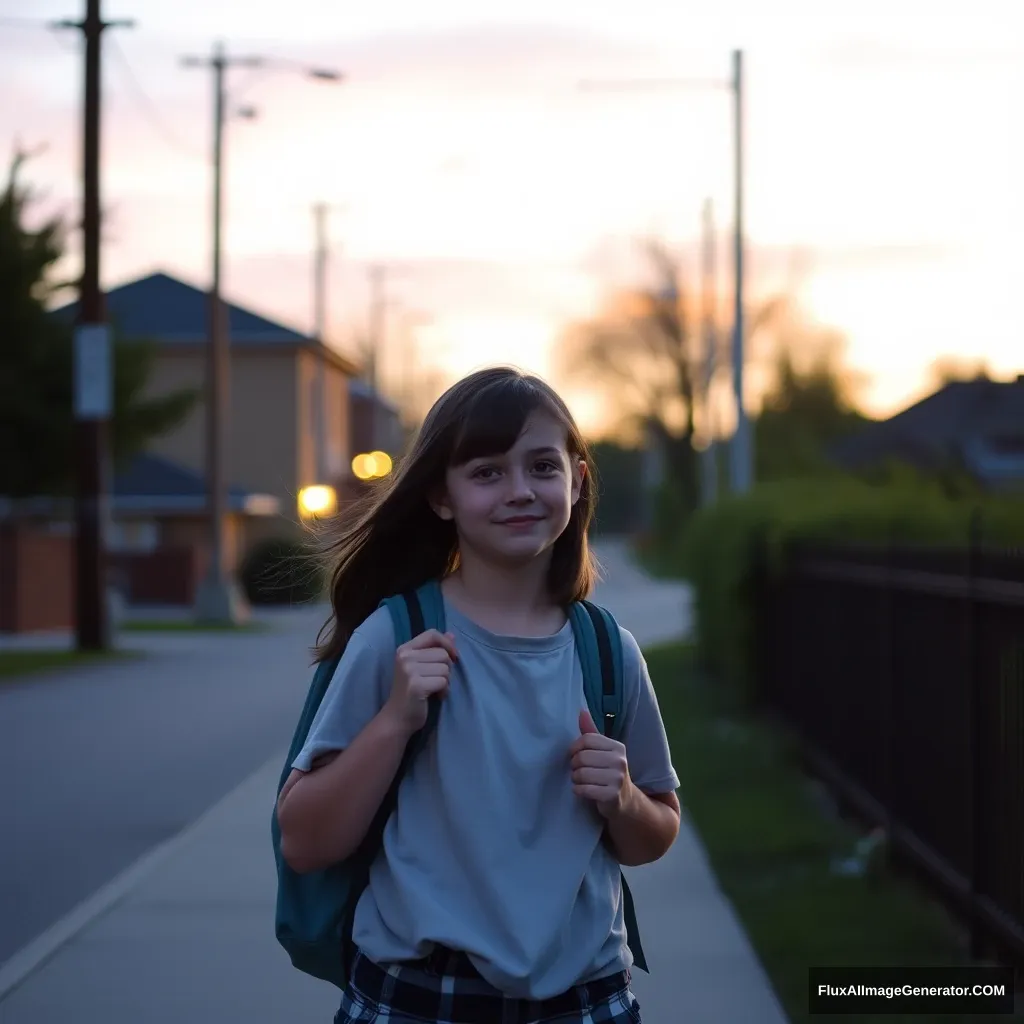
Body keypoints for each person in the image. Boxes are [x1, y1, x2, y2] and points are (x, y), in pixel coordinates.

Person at [275, 366, 680, 1024]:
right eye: (487, 472)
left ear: (577, 482)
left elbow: (651, 835)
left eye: (541, 467)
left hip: (588, 999)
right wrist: (393, 722)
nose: (519, 491)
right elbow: (304, 843)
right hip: (417, 1000)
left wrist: (624, 797)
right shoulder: (395, 639)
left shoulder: (609, 652)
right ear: (442, 496)